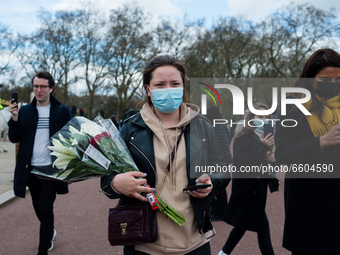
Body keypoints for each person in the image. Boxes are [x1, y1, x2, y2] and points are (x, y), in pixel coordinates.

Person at [101, 55, 230, 255]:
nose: (168, 89)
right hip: (144, 244)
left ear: (183, 87)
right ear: (148, 90)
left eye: (174, 83)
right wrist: (116, 183)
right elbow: (106, 180)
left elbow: (222, 166)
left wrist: (213, 182)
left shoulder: (202, 126)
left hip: (195, 243)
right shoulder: (129, 129)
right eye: (160, 84)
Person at [274, 48, 340, 255]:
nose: (333, 85)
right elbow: (282, 153)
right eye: (325, 80)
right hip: (308, 205)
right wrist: (321, 142)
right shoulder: (292, 107)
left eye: (338, 79)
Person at [8, 71, 73, 255]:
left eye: (43, 86)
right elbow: (14, 138)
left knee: (46, 207)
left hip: (51, 169)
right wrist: (14, 118)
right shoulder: (25, 111)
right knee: (37, 205)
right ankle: (49, 231)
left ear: (51, 88)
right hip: (31, 169)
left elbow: (72, 140)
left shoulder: (62, 111)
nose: (39, 90)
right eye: (36, 86)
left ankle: (43, 248)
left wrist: (70, 170)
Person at [219, 102, 275, 255]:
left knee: (243, 224)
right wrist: (262, 147)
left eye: (266, 117)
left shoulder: (268, 134)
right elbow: (242, 163)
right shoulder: (242, 136)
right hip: (247, 189)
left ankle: (224, 252)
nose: (263, 120)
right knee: (263, 228)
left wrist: (271, 158)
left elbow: (268, 159)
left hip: (259, 187)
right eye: (259, 116)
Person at [205, 106, 233, 221]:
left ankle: (220, 212)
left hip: (220, 160)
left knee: (219, 186)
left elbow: (221, 144)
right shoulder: (217, 124)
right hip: (219, 159)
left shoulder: (218, 126)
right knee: (215, 184)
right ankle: (216, 210)